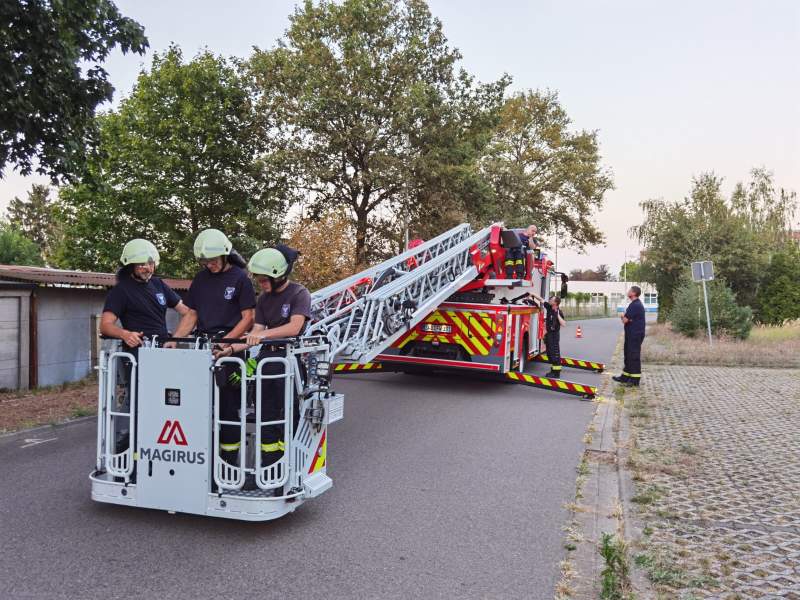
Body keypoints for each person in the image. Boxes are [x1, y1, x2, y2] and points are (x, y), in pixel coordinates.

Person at [216, 245, 310, 493]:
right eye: (258, 279)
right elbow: (255, 332)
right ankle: (268, 475)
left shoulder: (299, 293)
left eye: (264, 279)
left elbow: (294, 327)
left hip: (288, 364)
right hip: (266, 365)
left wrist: (265, 335)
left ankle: (288, 476)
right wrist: (230, 349)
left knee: (287, 420)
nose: (260, 283)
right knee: (266, 420)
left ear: (278, 274)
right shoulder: (264, 299)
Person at [166, 228, 256, 463]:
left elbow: (248, 318)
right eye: (205, 261)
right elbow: (192, 314)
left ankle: (228, 462)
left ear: (225, 254)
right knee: (197, 403)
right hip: (203, 348)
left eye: (213, 260)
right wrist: (174, 339)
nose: (209, 265)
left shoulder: (240, 279)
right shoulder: (201, 279)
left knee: (228, 408)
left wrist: (226, 342)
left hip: (230, 353)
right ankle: (201, 459)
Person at [100, 238, 189, 454]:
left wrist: (175, 338)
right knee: (139, 404)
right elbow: (105, 325)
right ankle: (129, 455)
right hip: (137, 356)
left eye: (150, 263)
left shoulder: (159, 285)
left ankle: (159, 451)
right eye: (141, 264)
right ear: (130, 265)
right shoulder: (121, 291)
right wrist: (125, 334)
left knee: (167, 403)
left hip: (163, 355)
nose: (147, 268)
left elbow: (187, 313)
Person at [613, 286, 646, 387]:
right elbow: (629, 320)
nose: (628, 292)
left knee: (633, 356)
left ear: (634, 293)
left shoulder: (635, 305)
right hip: (631, 334)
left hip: (635, 335)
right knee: (628, 355)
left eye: (629, 291)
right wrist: (627, 318)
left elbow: (625, 320)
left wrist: (622, 315)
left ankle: (635, 380)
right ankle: (625, 377)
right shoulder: (634, 304)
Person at [542, 295, 566, 378]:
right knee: (550, 353)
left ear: (555, 302)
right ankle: (553, 370)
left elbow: (563, 324)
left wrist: (557, 314)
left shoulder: (559, 312)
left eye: (551, 299)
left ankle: (556, 373)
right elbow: (542, 300)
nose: (549, 300)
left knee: (555, 354)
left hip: (554, 335)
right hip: (549, 334)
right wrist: (532, 294)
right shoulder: (549, 307)